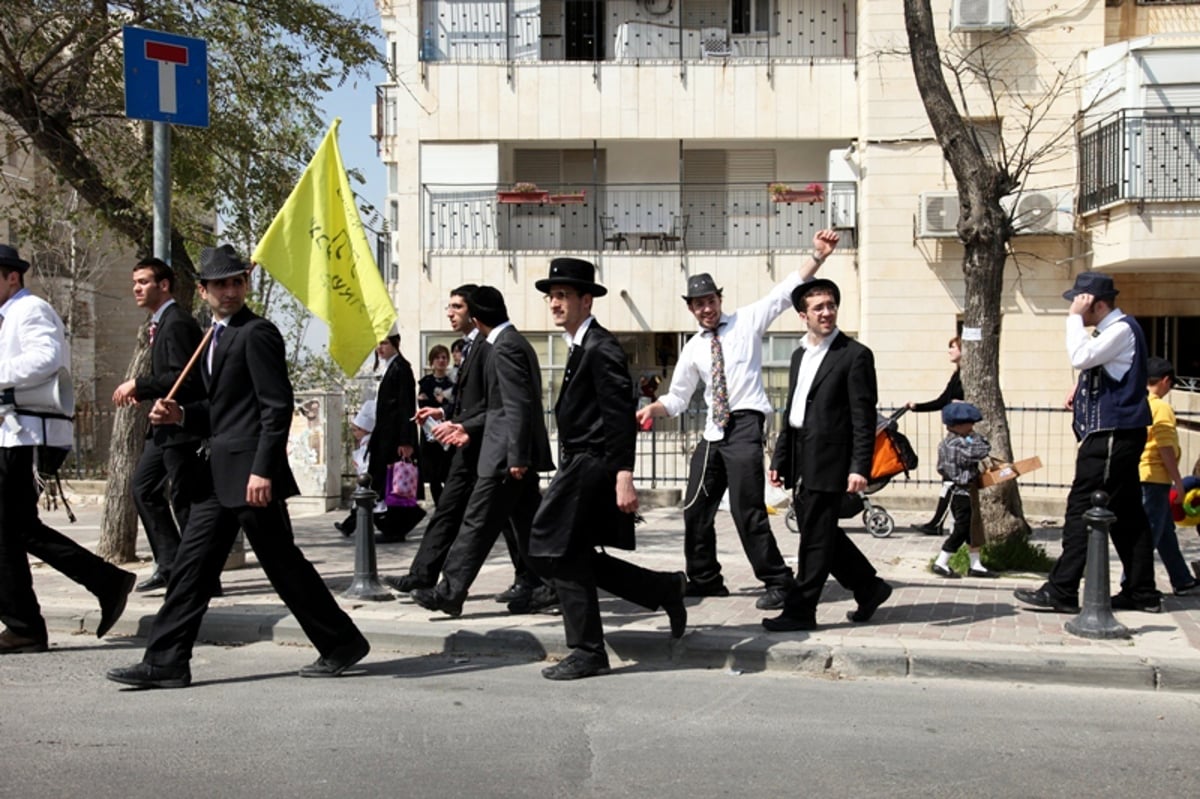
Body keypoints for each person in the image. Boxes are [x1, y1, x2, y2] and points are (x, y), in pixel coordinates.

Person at [106, 244, 368, 687]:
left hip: (250, 479)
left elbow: (275, 406)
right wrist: (182, 415)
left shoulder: (256, 333)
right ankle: (166, 662)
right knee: (191, 569)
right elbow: (221, 410)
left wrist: (263, 470)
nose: (229, 291)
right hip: (218, 477)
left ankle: (341, 642)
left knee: (284, 566)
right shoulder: (213, 336)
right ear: (204, 291)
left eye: (236, 282)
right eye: (220, 284)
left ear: (244, 285)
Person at [636, 229, 841, 610]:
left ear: (720, 300)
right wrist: (652, 409)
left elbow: (785, 291)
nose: (706, 309)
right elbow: (677, 397)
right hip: (713, 432)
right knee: (695, 507)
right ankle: (705, 578)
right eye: (698, 305)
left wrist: (818, 256)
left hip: (745, 425)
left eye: (710, 301)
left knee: (748, 509)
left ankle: (778, 581)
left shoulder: (746, 321)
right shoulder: (694, 347)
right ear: (691, 309)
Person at [529, 258, 686, 680]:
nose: (555, 303)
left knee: (551, 545)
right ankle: (663, 589)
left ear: (585, 300)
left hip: (593, 462)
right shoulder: (581, 345)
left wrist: (624, 474)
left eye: (563, 296)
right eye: (552, 296)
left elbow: (619, 416)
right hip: (582, 461)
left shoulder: (601, 347)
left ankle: (587, 650)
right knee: (571, 552)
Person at [0, 244, 136, 654]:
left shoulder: (31, 310)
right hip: (15, 436)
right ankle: (102, 585)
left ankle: (28, 625)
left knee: (9, 531)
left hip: (29, 438)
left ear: (12, 276)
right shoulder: (7, 318)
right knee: (15, 530)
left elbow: (47, 359)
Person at [1014, 272, 1160, 615]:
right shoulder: (1113, 331)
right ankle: (1142, 592)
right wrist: (1080, 391)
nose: (1075, 305)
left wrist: (1072, 320)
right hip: (1117, 433)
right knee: (1126, 514)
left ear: (1095, 303)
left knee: (1081, 507)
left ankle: (1062, 590)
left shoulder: (1121, 328)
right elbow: (1103, 367)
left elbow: (1081, 356)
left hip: (1111, 434)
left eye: (1080, 301)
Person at [409, 286, 554, 616]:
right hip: (506, 450)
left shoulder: (505, 347)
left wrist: (517, 457)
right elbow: (497, 406)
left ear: (475, 317)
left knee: (477, 522)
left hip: (504, 455)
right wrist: (459, 424)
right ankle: (556, 586)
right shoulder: (508, 343)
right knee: (530, 526)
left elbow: (516, 406)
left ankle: (449, 591)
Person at [763, 278, 892, 632]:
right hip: (802, 453)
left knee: (815, 538)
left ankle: (800, 611)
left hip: (833, 460)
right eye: (818, 307)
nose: (826, 312)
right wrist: (779, 459)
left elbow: (863, 418)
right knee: (816, 528)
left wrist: (859, 467)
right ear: (803, 315)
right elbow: (793, 411)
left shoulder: (855, 355)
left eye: (831, 305)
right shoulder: (799, 354)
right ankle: (869, 586)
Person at [111, 257, 209, 592]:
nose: (136, 288)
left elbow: (186, 378)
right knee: (144, 489)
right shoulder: (160, 323)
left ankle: (199, 576)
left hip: (180, 427)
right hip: (162, 428)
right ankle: (170, 565)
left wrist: (139, 384)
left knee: (185, 501)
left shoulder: (177, 322)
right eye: (134, 282)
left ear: (163, 285)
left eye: (143, 282)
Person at [1139, 357, 1199, 595]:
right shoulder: (1161, 407)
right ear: (1165, 381)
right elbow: (1164, 447)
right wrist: (1178, 481)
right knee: (1149, 533)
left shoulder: (1138, 402)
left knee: (1164, 532)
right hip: (1155, 478)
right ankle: (1132, 584)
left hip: (1143, 475)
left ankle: (1182, 579)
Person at [369, 330, 424, 542]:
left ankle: (397, 527)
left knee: (395, 482)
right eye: (378, 344)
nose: (380, 348)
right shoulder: (389, 368)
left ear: (395, 344)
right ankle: (391, 525)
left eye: (384, 343)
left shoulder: (401, 368)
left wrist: (406, 440)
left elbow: (406, 405)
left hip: (395, 438)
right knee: (385, 481)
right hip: (385, 435)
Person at [906, 336, 964, 535]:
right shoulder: (957, 375)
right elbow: (942, 400)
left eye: (953, 347)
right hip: (954, 432)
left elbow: (961, 402)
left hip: (962, 436)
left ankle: (939, 524)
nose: (950, 351)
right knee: (950, 479)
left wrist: (960, 405)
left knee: (953, 480)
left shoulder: (967, 376)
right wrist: (917, 407)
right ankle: (940, 523)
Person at [929, 402, 994, 579]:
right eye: (970, 424)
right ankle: (941, 561)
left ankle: (975, 564)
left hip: (965, 490)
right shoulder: (957, 444)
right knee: (963, 528)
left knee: (973, 527)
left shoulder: (949, 442)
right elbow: (982, 450)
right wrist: (975, 437)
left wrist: (971, 437)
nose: (972, 427)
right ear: (957, 425)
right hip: (959, 492)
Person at [417, 344, 455, 504]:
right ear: (431, 361)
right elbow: (423, 405)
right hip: (430, 433)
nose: (441, 361)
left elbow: (453, 405)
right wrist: (438, 404)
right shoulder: (425, 382)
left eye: (444, 357)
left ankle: (448, 505)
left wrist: (443, 403)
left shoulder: (452, 382)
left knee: (447, 472)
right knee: (433, 475)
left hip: (448, 432)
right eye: (437, 358)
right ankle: (439, 505)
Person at [334, 400, 376, 537]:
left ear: (364, 430)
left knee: (363, 506)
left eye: (354, 430)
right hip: (365, 480)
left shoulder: (369, 442)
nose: (353, 433)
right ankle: (347, 527)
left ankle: (348, 527)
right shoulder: (365, 441)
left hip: (368, 480)